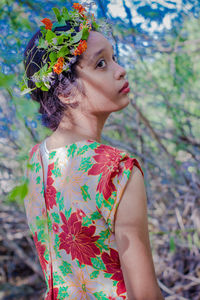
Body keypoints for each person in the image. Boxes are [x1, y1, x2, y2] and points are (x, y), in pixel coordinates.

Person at [22, 3, 164, 299]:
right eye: (101, 64)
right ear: (65, 91)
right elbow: (144, 294)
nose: (121, 70)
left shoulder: (36, 161)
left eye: (114, 58)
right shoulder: (116, 171)